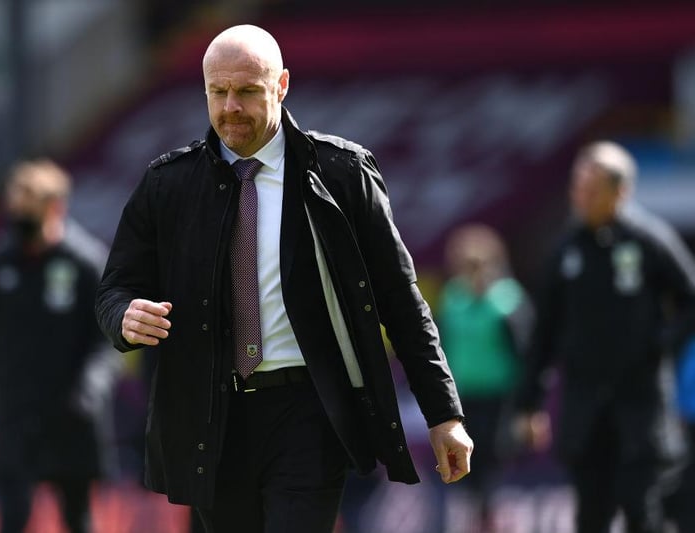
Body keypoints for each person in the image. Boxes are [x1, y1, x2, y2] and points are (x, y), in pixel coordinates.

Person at [95, 24, 473, 533]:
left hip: (309, 412)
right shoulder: (168, 184)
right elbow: (114, 288)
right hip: (212, 418)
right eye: (218, 91)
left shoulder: (340, 173)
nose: (230, 106)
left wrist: (444, 414)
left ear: (282, 85)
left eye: (247, 91)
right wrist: (125, 316)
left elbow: (400, 300)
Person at [513, 141, 695, 533]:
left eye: (591, 188)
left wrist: (661, 343)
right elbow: (544, 331)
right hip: (584, 409)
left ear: (620, 191)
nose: (581, 196)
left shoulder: (649, 240)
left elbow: (689, 299)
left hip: (640, 406)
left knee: (640, 507)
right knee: (590, 514)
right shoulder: (565, 250)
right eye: (578, 186)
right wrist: (530, 403)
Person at [0, 159, 121, 533]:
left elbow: (107, 340)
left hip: (71, 413)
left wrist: (89, 389)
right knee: (13, 515)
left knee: (77, 518)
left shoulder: (84, 263)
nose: (19, 219)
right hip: (15, 414)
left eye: (27, 211)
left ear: (55, 208)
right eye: (15, 210)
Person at [437, 223, 534, 532]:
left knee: (495, 460)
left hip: (500, 397)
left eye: (478, 265)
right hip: (463, 398)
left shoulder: (508, 300)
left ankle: (495, 521)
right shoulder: (452, 299)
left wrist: (528, 406)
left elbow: (526, 354)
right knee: (466, 466)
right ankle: (475, 521)